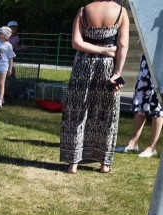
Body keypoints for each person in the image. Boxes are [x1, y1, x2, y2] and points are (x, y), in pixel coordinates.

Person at [61, 0, 129, 174]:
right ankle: (104, 164)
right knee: (107, 113)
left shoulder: (84, 11)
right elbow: (122, 45)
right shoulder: (121, 12)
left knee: (78, 110)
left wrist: (97, 50)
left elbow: (76, 43)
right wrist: (116, 73)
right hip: (108, 67)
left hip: (82, 65)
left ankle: (73, 163)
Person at [115, 54, 162, 158]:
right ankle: (132, 143)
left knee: (158, 106)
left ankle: (151, 147)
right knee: (140, 101)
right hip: (147, 63)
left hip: (160, 64)